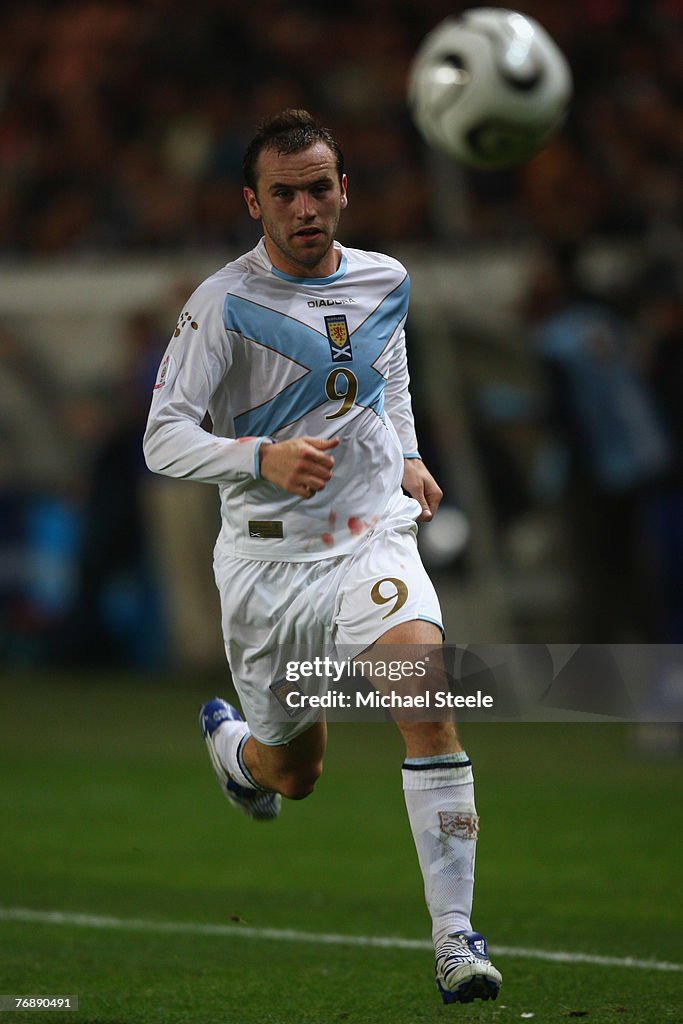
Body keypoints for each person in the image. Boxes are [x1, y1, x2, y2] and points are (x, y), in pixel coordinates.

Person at [143, 108, 501, 1006]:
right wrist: (256, 458)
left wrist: (409, 454)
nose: (305, 207)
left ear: (344, 189)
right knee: (294, 775)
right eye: (284, 193)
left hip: (370, 537)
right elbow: (160, 440)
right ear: (252, 204)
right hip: (268, 564)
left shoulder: (387, 279)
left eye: (318, 188)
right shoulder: (222, 304)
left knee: (427, 705)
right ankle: (239, 757)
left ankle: (455, 938)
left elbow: (388, 374)